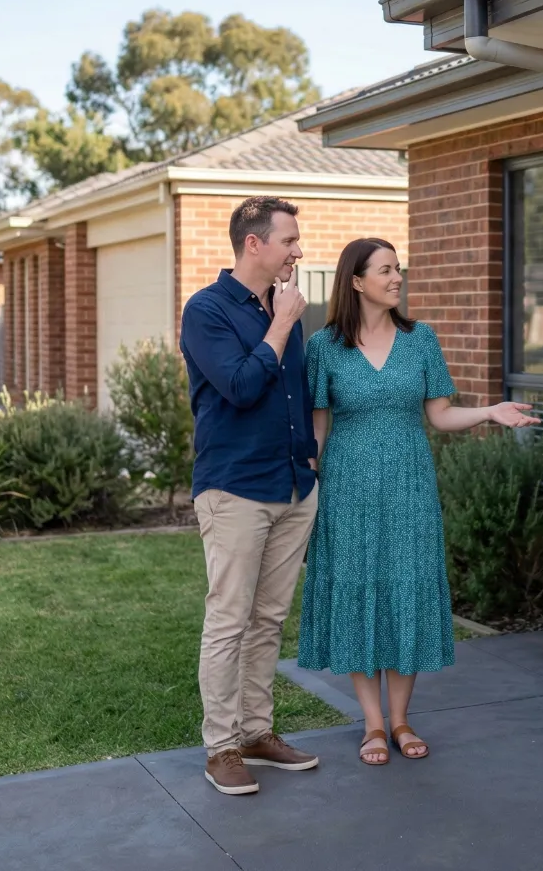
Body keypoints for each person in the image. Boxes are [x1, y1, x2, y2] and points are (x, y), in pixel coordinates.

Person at [296, 237, 540, 765]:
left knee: (405, 588)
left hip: (410, 486)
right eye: (385, 270)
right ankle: (374, 724)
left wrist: (489, 412)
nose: (397, 278)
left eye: (397, 269)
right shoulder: (322, 347)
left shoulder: (421, 338)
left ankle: (403, 719)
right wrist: (304, 490)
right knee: (360, 593)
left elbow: (440, 415)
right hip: (348, 490)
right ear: (356, 281)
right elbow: (316, 429)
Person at [179, 196, 321, 796]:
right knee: (229, 619)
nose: (298, 250)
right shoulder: (207, 310)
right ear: (254, 244)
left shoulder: (280, 306)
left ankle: (258, 733)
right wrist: (283, 323)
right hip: (235, 487)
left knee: (268, 619)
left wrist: (310, 463)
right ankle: (222, 747)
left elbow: (297, 395)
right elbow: (238, 387)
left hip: (292, 485)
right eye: (289, 240)